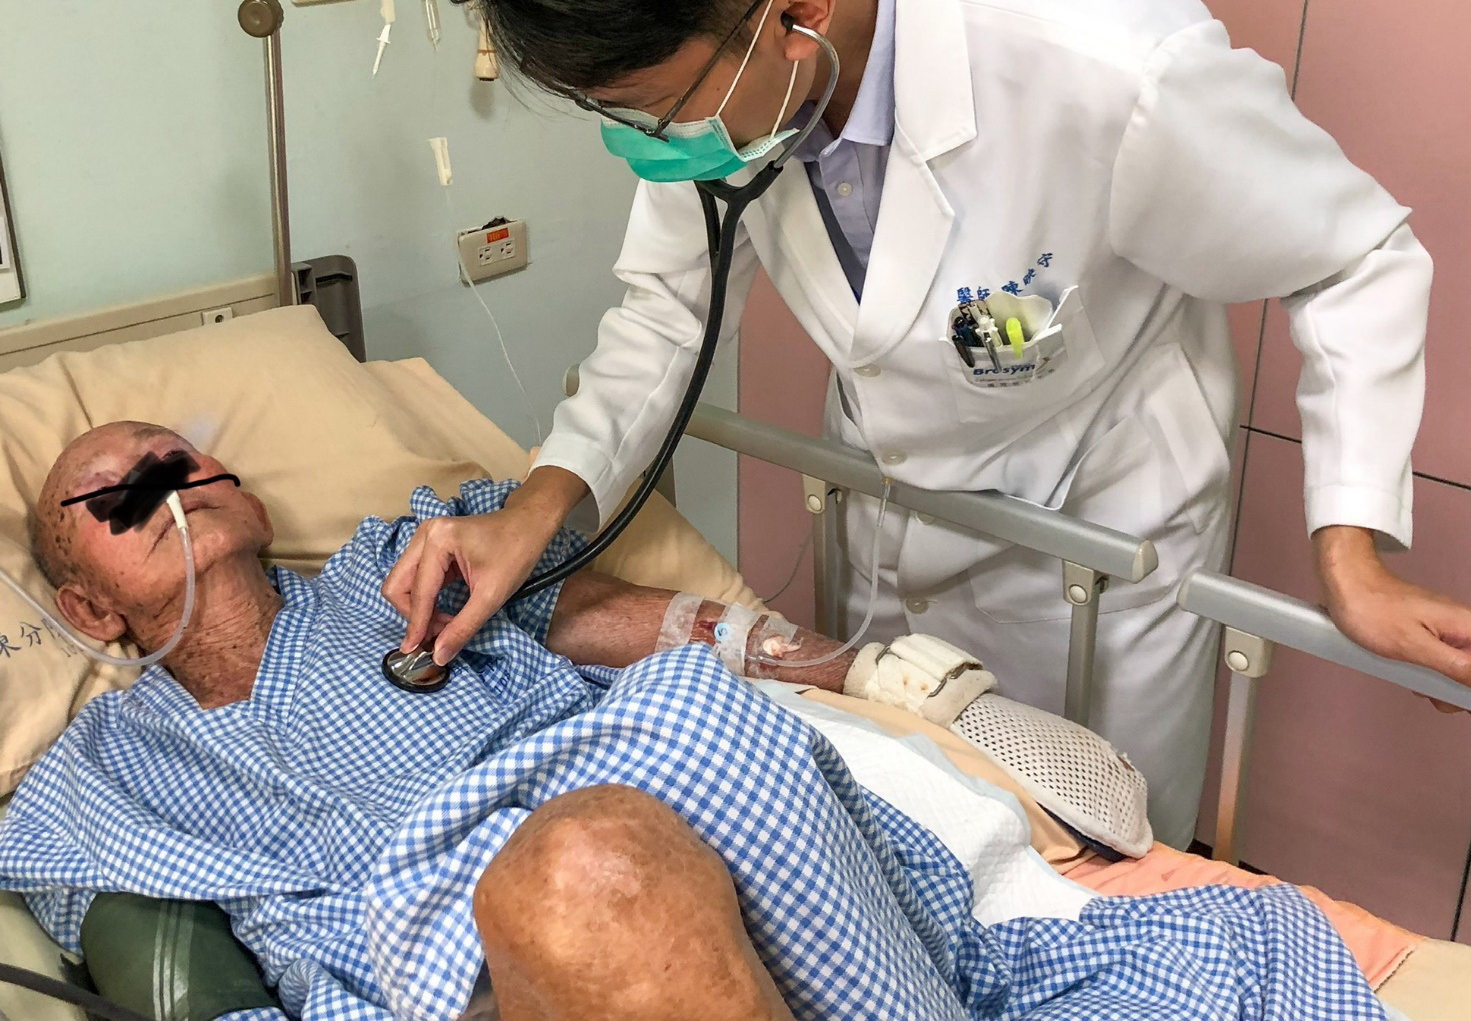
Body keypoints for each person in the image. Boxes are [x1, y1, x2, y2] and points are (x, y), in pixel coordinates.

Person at [389, 0, 1471, 847]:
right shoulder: (735, 53)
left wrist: (1352, 557)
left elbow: (1353, 257)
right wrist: (534, 513)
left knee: (1093, 859)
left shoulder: (1114, 65)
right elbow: (668, 311)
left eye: (650, 107)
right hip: (885, 518)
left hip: (1092, 547)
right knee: (907, 826)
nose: (642, 140)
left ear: (801, 12)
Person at [0, 422, 1390, 1021]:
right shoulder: (92, 779)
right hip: (429, 980)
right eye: (118, 488)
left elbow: (627, 621)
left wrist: (846, 664)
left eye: (184, 452)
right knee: (577, 873)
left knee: (616, 818)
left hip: (673, 835)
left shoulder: (397, 564)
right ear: (86, 606)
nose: (170, 472)